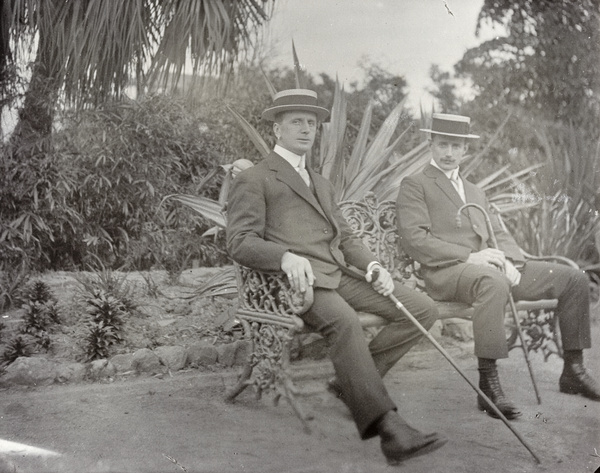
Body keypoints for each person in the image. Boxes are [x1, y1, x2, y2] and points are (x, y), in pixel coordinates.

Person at [226, 89, 447, 465]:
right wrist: (284, 256)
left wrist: (374, 266)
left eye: (311, 123)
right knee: (345, 322)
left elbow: (346, 237)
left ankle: (352, 386)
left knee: (422, 310)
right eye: (296, 121)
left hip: (338, 274)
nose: (306, 129)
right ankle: (388, 427)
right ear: (277, 129)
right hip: (296, 285)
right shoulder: (257, 178)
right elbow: (239, 242)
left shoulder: (321, 183)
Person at [396, 113, 600, 420]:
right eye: (442, 145)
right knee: (493, 282)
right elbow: (414, 240)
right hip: (447, 273)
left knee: (573, 279)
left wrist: (510, 260)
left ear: (465, 149)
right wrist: (470, 256)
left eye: (456, 145)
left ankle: (573, 368)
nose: (449, 152)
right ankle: (488, 383)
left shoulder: (475, 190)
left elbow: (498, 232)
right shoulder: (415, 185)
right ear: (431, 145)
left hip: (490, 269)